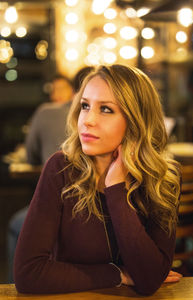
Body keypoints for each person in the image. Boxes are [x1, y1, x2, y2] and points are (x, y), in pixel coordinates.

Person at [14, 64, 181, 295]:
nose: (88, 120)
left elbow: (150, 280)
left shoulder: (163, 179)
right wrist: (119, 273)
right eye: (85, 106)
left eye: (106, 109)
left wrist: (116, 189)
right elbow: (28, 274)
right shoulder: (61, 169)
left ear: (136, 120)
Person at [7, 74, 73, 282]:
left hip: (66, 205)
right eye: (54, 89)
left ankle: (14, 289)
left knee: (17, 224)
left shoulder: (46, 112)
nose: (56, 94)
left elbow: (30, 155)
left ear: (74, 89)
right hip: (92, 206)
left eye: (61, 88)